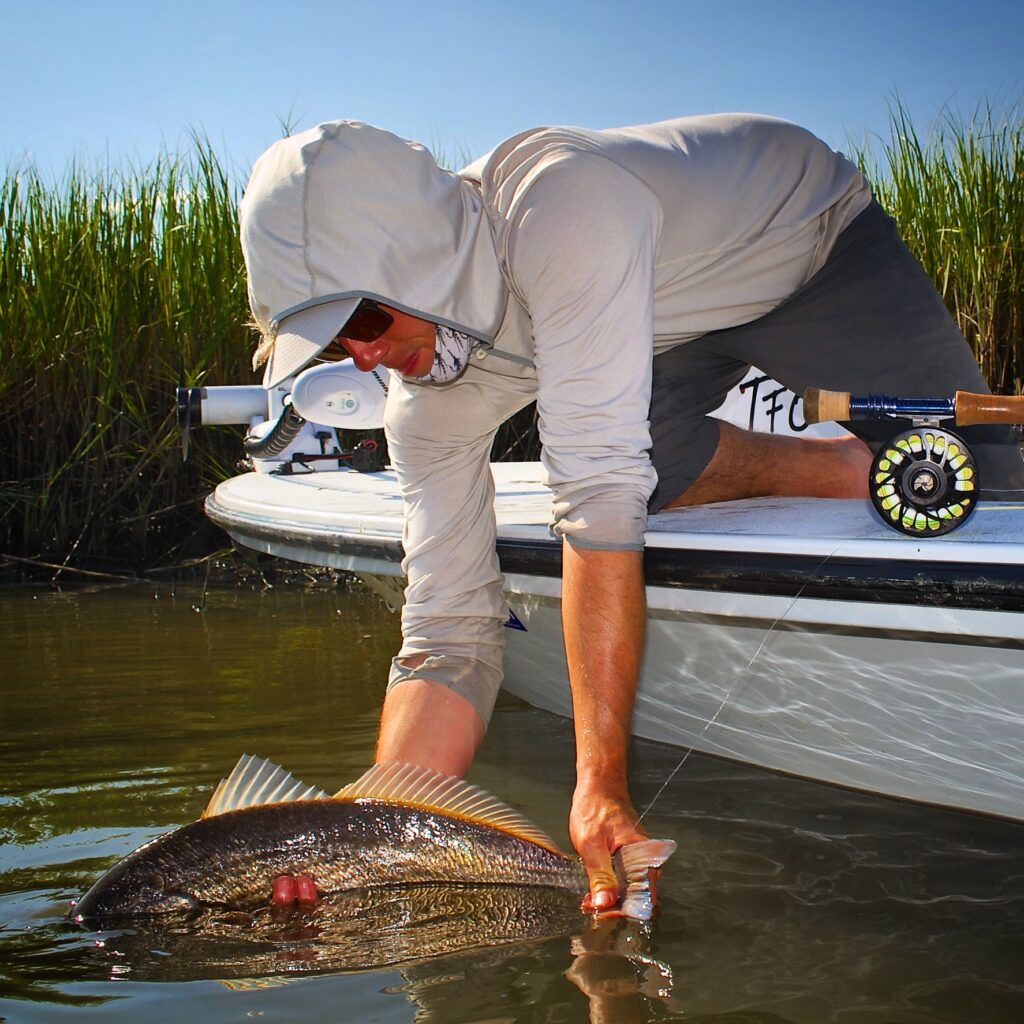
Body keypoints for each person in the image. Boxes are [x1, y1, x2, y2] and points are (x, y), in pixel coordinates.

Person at [238, 114, 1024, 913]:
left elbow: (597, 504)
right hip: (652, 323)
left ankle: (921, 458)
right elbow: (447, 635)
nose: (364, 358)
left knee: (989, 495)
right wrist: (363, 834)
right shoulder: (425, 408)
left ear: (423, 257)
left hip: (801, 245)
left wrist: (599, 784)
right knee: (647, 471)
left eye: (363, 320)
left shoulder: (559, 208)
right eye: (333, 346)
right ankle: (844, 468)